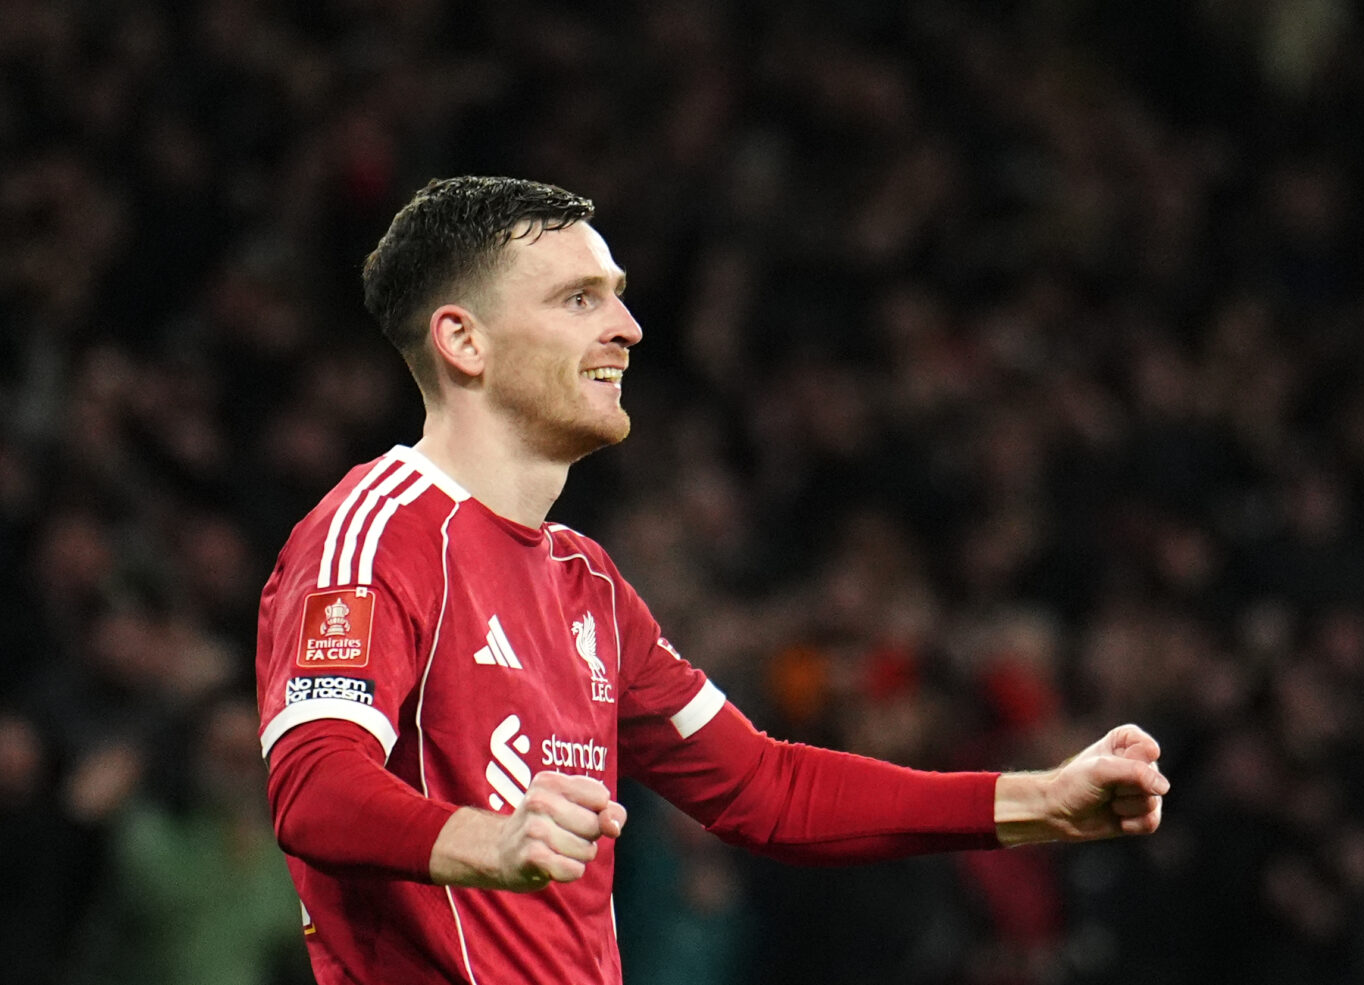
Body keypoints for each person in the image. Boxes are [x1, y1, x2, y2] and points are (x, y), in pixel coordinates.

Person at [255, 175, 1169, 985]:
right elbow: (313, 785)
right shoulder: (375, 535)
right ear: (464, 340)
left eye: (617, 297)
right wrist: (484, 839)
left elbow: (767, 787)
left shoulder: (587, 582)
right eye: (578, 299)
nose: (626, 328)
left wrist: (1044, 801)